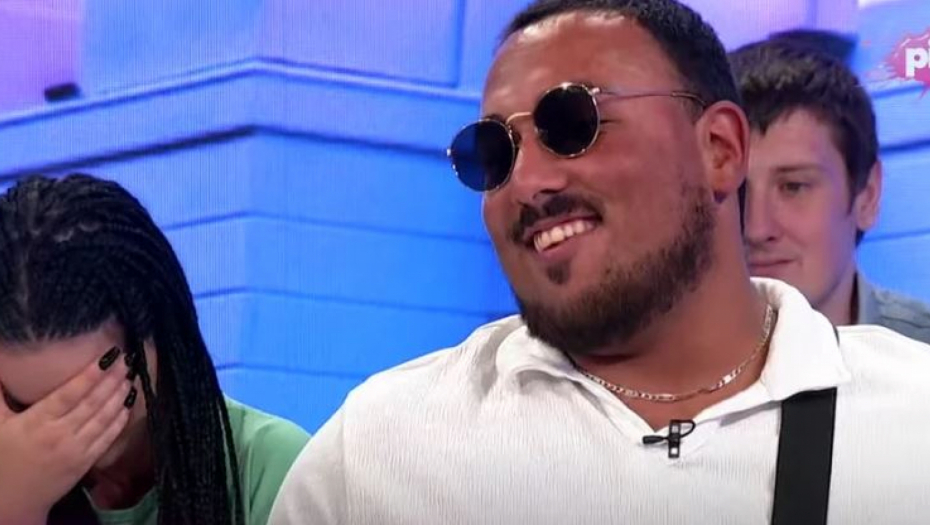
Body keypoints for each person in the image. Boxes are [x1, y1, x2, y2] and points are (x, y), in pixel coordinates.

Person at [269, 0, 930, 523]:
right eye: (494, 153)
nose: (527, 183)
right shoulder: (376, 454)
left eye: (572, 124)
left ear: (720, 149)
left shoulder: (911, 419)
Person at [0, 174, 310, 525]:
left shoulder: (273, 469)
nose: (64, 431)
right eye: (25, 407)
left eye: (95, 397)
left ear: (161, 335)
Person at [731, 40, 930, 342]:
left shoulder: (920, 355)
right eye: (735, 189)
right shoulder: (659, 361)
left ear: (868, 195)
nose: (756, 230)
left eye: (793, 187)